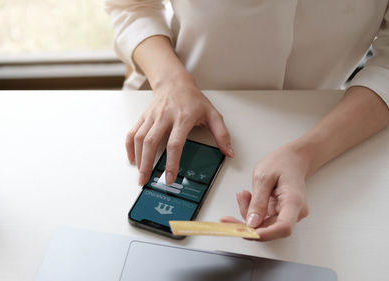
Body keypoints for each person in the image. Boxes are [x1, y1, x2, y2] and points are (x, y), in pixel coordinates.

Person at [105, 0, 389, 241]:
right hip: (171, 111)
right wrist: (171, 83)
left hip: (331, 131)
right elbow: (132, 4)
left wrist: (307, 154)